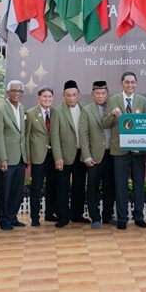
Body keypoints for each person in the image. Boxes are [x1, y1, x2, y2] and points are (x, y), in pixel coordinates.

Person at [102, 72, 146, 230]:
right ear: (122, 84)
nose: (130, 85)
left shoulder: (142, 100)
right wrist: (112, 114)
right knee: (120, 186)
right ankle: (122, 218)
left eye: (132, 82)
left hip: (137, 151)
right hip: (119, 150)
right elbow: (105, 124)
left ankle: (139, 217)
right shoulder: (113, 99)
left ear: (136, 83)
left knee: (139, 184)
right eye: (127, 82)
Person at [0, 80, 28, 231]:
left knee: (17, 191)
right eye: (14, 90)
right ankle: (3, 219)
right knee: (4, 191)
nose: (17, 93)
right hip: (7, 158)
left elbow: (23, 135)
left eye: (20, 91)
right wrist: (2, 159)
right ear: (8, 92)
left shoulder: (22, 108)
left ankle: (12, 217)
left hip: (20, 157)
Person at [79, 80, 115, 228]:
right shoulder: (87, 110)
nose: (100, 96)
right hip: (94, 156)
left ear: (107, 94)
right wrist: (86, 156)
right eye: (97, 93)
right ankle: (95, 217)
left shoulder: (114, 108)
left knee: (109, 188)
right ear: (92, 95)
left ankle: (108, 216)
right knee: (93, 188)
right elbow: (83, 134)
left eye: (103, 93)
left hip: (112, 154)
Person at [51, 80, 85, 228]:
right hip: (64, 156)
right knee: (62, 187)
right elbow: (54, 136)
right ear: (64, 96)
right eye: (68, 95)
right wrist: (58, 157)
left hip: (81, 154)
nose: (71, 98)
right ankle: (63, 216)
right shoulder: (57, 111)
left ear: (79, 95)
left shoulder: (85, 108)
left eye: (74, 95)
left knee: (79, 185)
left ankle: (77, 215)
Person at [25, 87, 56, 226]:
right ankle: (35, 217)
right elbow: (26, 137)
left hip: (53, 155)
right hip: (38, 156)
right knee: (36, 188)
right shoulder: (31, 113)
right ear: (38, 98)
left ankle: (50, 214)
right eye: (44, 96)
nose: (47, 99)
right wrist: (27, 156)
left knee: (52, 186)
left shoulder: (55, 112)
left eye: (50, 96)